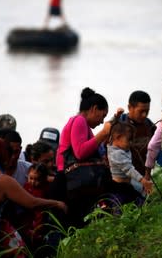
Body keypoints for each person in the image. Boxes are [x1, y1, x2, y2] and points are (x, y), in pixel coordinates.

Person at [56, 87, 112, 227]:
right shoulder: (79, 121)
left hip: (71, 179)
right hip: (67, 180)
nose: (101, 121)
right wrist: (103, 134)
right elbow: (80, 152)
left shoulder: (82, 123)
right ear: (94, 109)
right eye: (102, 115)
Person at [107, 121, 153, 204]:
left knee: (139, 193)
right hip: (120, 185)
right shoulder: (116, 153)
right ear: (118, 137)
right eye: (129, 139)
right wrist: (143, 180)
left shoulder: (121, 148)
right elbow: (129, 169)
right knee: (131, 200)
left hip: (128, 182)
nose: (131, 142)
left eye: (132, 140)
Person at [117, 90, 156, 176]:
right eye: (141, 111)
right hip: (122, 179)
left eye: (147, 111)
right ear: (129, 107)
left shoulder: (150, 125)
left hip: (143, 177)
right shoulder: (119, 125)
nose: (144, 115)